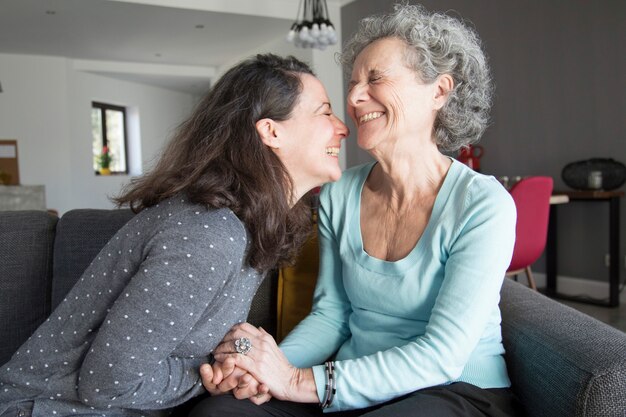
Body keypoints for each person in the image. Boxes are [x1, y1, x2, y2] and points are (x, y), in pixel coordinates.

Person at [192, 4, 522, 417]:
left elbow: (443, 354)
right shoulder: (339, 193)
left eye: (375, 79)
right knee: (217, 413)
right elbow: (332, 315)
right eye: (352, 83)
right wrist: (264, 370)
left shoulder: (482, 204)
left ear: (439, 90)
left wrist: (297, 381)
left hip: (454, 390)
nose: (352, 97)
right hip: (350, 383)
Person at [0, 54, 348, 417]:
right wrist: (207, 375)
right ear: (271, 131)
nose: (342, 128)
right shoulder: (207, 234)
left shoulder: (249, 224)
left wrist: (233, 361)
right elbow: (105, 386)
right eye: (324, 112)